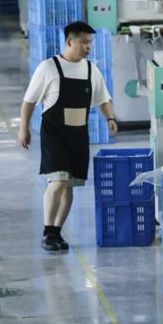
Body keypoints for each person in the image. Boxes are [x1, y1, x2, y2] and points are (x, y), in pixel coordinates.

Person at [17, 22, 118, 252]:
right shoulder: (48, 67)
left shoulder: (91, 70)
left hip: (78, 135)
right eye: (84, 42)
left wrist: (110, 118)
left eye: (90, 42)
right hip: (54, 134)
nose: (88, 47)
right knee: (58, 182)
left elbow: (103, 99)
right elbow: (29, 101)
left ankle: (56, 232)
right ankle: (47, 232)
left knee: (69, 187)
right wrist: (24, 129)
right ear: (70, 41)